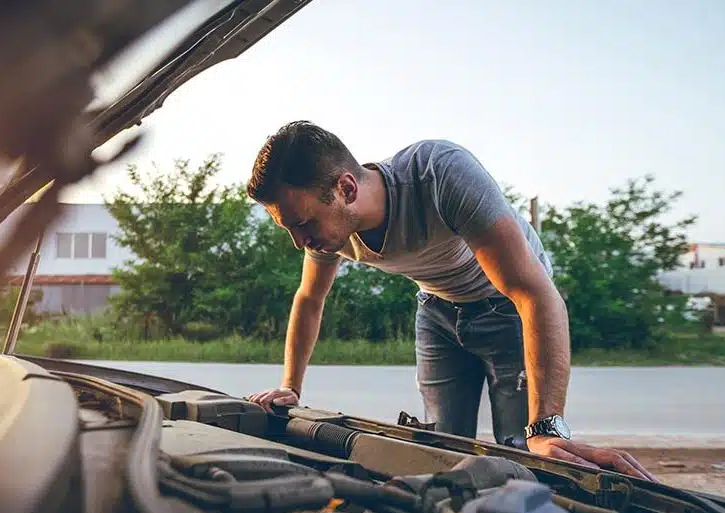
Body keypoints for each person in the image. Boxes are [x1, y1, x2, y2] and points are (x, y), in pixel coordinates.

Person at [244, 120, 659, 482]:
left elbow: (535, 294)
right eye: (289, 228)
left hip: (508, 307)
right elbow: (310, 298)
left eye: (301, 224)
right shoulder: (325, 230)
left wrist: (547, 428)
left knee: (525, 450)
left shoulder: (440, 173)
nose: (299, 241)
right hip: (437, 311)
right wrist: (290, 387)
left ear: (346, 188)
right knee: (442, 451)